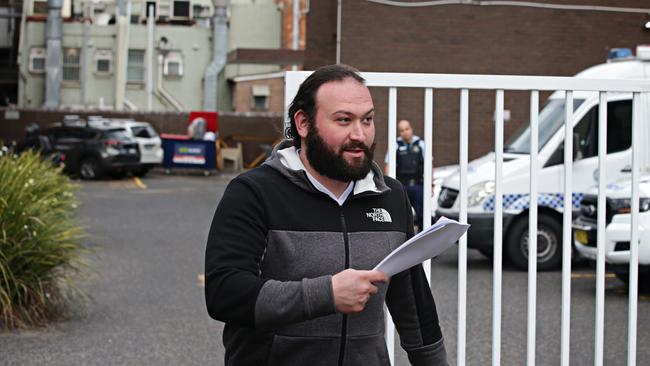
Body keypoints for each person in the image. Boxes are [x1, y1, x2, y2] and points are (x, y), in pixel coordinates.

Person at [204, 64, 448, 366]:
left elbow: (412, 300)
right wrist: (326, 294)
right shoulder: (254, 192)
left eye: (367, 120)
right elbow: (225, 292)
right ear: (304, 123)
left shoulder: (391, 197)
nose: (360, 134)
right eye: (344, 120)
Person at [384, 120, 431, 231]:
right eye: (402, 130)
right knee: (400, 215)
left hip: (418, 185)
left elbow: (430, 164)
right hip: (402, 186)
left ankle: (423, 239)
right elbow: (388, 165)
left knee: (422, 215)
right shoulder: (395, 145)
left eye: (407, 129)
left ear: (411, 129)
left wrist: (431, 184)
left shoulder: (421, 144)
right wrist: (388, 185)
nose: (405, 132)